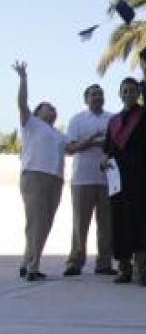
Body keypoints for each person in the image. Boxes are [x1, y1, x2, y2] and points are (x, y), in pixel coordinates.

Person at [103, 72, 146, 286]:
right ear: (120, 94)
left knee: (140, 223)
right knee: (119, 223)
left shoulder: (145, 115)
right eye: (125, 91)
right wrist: (104, 160)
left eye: (132, 90)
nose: (129, 94)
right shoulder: (114, 121)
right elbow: (108, 149)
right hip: (118, 181)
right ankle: (124, 268)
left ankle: (141, 270)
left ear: (138, 93)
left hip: (141, 179)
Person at [13, 61, 65, 281]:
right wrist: (23, 78)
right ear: (38, 111)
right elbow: (22, 103)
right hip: (34, 176)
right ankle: (33, 267)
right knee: (37, 221)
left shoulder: (59, 134)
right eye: (47, 106)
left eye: (53, 107)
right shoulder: (31, 123)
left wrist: (99, 141)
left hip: (55, 180)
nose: (52, 108)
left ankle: (27, 263)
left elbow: (74, 147)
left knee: (43, 223)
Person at [63, 84, 115, 277]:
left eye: (100, 94)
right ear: (86, 99)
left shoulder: (112, 119)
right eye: (93, 95)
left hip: (107, 180)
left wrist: (98, 144)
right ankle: (75, 263)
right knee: (80, 224)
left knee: (106, 224)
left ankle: (104, 263)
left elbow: (115, 146)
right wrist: (93, 141)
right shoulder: (77, 120)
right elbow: (70, 148)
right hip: (82, 179)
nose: (97, 97)